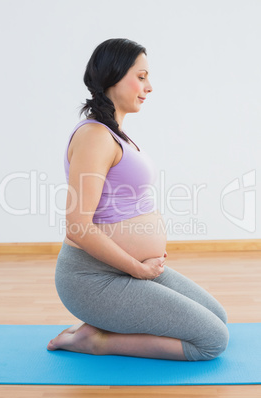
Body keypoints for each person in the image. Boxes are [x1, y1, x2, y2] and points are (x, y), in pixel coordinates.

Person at [47, 38, 229, 361]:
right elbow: (77, 227)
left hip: (128, 270)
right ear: (113, 76)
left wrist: (145, 258)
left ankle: (100, 326)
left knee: (218, 317)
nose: (149, 87)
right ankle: (95, 341)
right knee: (212, 341)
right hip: (92, 279)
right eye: (141, 76)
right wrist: (137, 268)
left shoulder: (115, 133)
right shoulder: (94, 137)